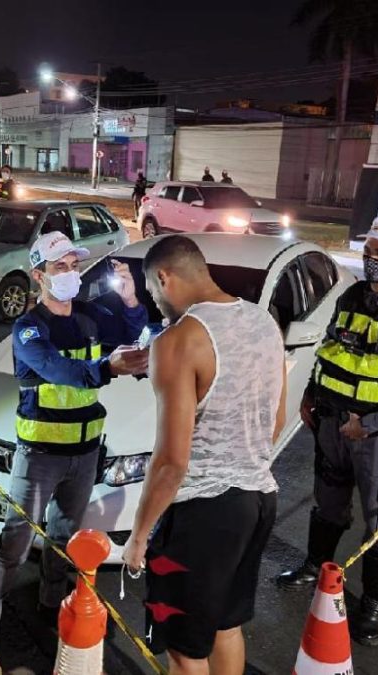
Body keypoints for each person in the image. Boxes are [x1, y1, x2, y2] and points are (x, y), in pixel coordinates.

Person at [0, 232, 149, 675]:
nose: (70, 274)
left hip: (85, 456)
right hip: (40, 455)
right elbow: (59, 369)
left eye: (74, 265)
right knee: (13, 546)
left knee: (62, 540)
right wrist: (107, 367)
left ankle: (50, 607)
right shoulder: (29, 327)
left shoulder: (89, 315)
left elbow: (128, 330)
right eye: (60, 267)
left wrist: (130, 299)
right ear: (38, 275)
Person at [276, 214, 378, 647]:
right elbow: (332, 350)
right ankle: (316, 565)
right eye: (369, 250)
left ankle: (372, 605)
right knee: (328, 501)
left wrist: (370, 424)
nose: (372, 260)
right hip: (332, 425)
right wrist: (311, 394)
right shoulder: (352, 296)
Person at [121, 235, 286, 675]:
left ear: (164, 277)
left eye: (153, 293)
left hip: (203, 515)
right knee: (224, 627)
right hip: (258, 500)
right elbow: (276, 418)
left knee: (184, 649)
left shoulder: (178, 340)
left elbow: (172, 461)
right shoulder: (263, 321)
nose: (155, 304)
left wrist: (138, 536)